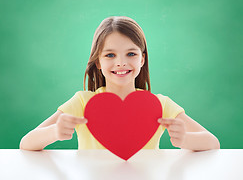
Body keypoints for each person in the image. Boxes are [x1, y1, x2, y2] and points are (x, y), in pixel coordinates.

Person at [20, 16, 220, 151]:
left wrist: (185, 139)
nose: (121, 62)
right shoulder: (82, 102)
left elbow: (212, 143)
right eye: (110, 55)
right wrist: (55, 132)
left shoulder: (160, 105)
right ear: (98, 61)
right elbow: (26, 143)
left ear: (142, 59)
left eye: (131, 54)